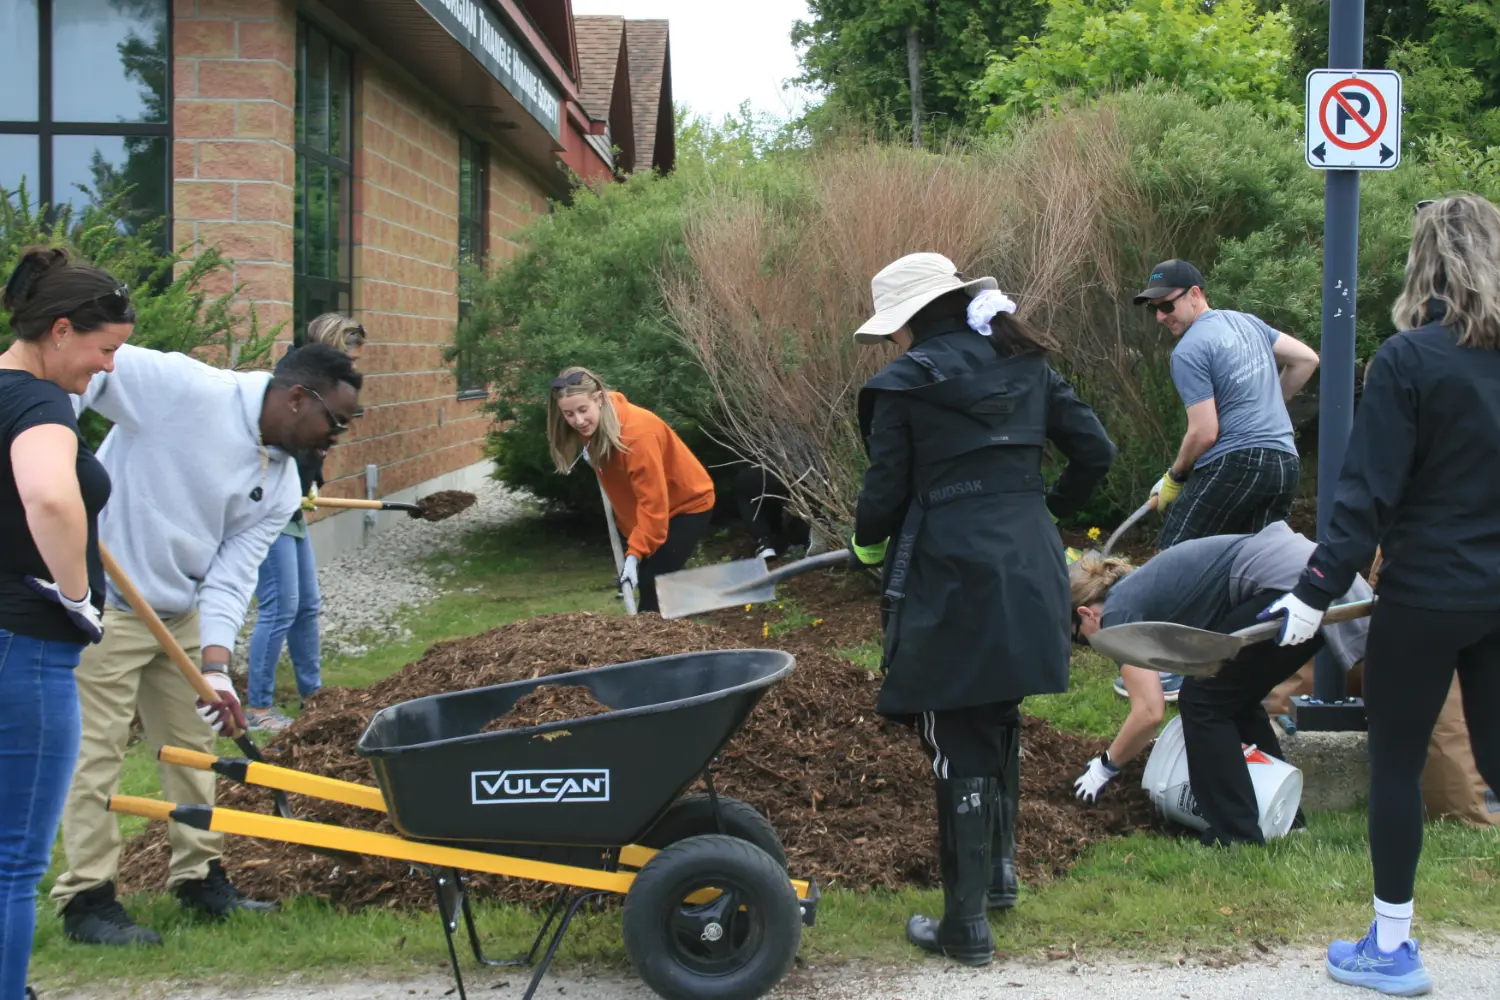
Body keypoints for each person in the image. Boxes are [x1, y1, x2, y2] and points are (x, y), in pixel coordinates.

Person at [1262, 194, 1500, 997]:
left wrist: (1313, 589)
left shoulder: (1408, 360)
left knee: (1396, 765)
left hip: (1429, 592)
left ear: (1425, 265)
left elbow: (1362, 495)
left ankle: (1392, 950)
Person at [850, 252, 1115, 966]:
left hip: (951, 571)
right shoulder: (1026, 361)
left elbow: (880, 503)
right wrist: (1040, 510)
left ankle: (965, 927)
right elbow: (1097, 451)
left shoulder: (901, 387)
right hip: (1031, 565)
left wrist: (864, 542)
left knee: (953, 731)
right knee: (998, 712)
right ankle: (997, 879)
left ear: (906, 319)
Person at [50, 340, 362, 946]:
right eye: (335, 421)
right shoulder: (184, 387)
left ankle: (198, 878)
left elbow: (232, 576)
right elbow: (80, 369)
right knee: (96, 756)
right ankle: (86, 899)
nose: (335, 438)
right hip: (106, 604)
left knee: (193, 745)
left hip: (182, 612)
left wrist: (217, 668)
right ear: (297, 397)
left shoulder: (279, 481)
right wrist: (49, 443)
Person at [1, 248, 131, 1000]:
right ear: (57, 330)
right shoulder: (37, 403)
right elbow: (50, 498)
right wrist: (76, 594)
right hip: (26, 653)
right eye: (104, 348)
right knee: (15, 861)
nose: (108, 367)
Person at [1069, 521, 1371, 841]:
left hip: (1288, 582)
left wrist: (1105, 766)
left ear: (1087, 614)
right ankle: (1286, 821)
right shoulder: (1137, 590)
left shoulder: (1117, 613)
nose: (1093, 648)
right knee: (1232, 699)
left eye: (1082, 640)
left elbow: (1149, 712)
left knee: (1203, 701)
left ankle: (1236, 834)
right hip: (1309, 574)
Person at [1133, 259, 1320, 550]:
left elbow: (1204, 432)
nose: (1159, 316)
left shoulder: (1188, 349)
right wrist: (1266, 404)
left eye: (1166, 306)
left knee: (1172, 559)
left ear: (1195, 294)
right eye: (1153, 308)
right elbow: (1306, 359)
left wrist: (1174, 477)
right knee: (1253, 567)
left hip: (1236, 464)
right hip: (1284, 465)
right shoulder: (1247, 323)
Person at [245, 314, 366, 732]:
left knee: (306, 606)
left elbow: (313, 453)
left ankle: (313, 696)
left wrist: (312, 483)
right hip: (268, 510)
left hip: (292, 508)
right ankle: (258, 709)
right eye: (349, 356)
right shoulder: (295, 382)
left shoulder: (329, 392)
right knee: (280, 607)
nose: (352, 367)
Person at [547, 368, 715, 614]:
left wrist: (634, 554)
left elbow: (653, 505)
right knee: (651, 579)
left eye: (583, 410)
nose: (578, 421)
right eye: (568, 414)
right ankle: (687, 609)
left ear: (600, 399)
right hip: (644, 515)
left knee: (652, 589)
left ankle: (655, 647)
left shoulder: (637, 436)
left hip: (685, 505)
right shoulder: (594, 424)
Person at [731, 463, 810, 560]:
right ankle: (800, 538)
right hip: (808, 473)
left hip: (789, 469)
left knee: (746, 483)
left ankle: (765, 542)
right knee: (779, 494)